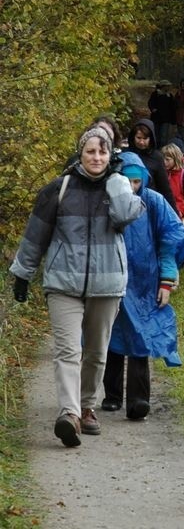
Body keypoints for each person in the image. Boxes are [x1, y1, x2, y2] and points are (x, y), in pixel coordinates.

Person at [10, 125, 144, 447]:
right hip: (63, 283)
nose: (96, 157)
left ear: (110, 154)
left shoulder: (119, 186)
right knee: (68, 350)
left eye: (102, 152)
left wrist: (115, 179)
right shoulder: (59, 189)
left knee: (97, 352)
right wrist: (22, 272)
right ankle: (69, 414)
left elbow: (127, 215)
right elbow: (35, 234)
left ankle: (87, 407)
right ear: (80, 154)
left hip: (107, 283)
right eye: (90, 151)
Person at [102, 152, 184, 420]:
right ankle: (112, 395)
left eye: (136, 182)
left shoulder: (153, 202)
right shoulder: (105, 202)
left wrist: (166, 279)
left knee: (140, 337)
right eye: (126, 181)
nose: (131, 188)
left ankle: (139, 400)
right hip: (110, 280)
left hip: (144, 284)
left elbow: (171, 240)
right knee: (111, 338)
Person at [125, 118, 177, 212]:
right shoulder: (125, 155)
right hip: (126, 204)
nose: (141, 142)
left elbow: (164, 188)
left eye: (145, 139)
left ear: (151, 138)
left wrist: (174, 213)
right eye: (139, 138)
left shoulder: (157, 157)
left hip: (148, 206)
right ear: (133, 137)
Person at [148, 79, 176, 148]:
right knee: (156, 135)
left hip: (166, 119)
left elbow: (173, 107)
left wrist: (173, 118)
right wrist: (153, 109)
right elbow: (150, 102)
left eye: (169, 86)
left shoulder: (169, 95)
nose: (168, 87)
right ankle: (155, 149)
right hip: (156, 118)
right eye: (167, 86)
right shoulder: (156, 94)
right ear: (163, 86)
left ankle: (163, 150)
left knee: (164, 136)